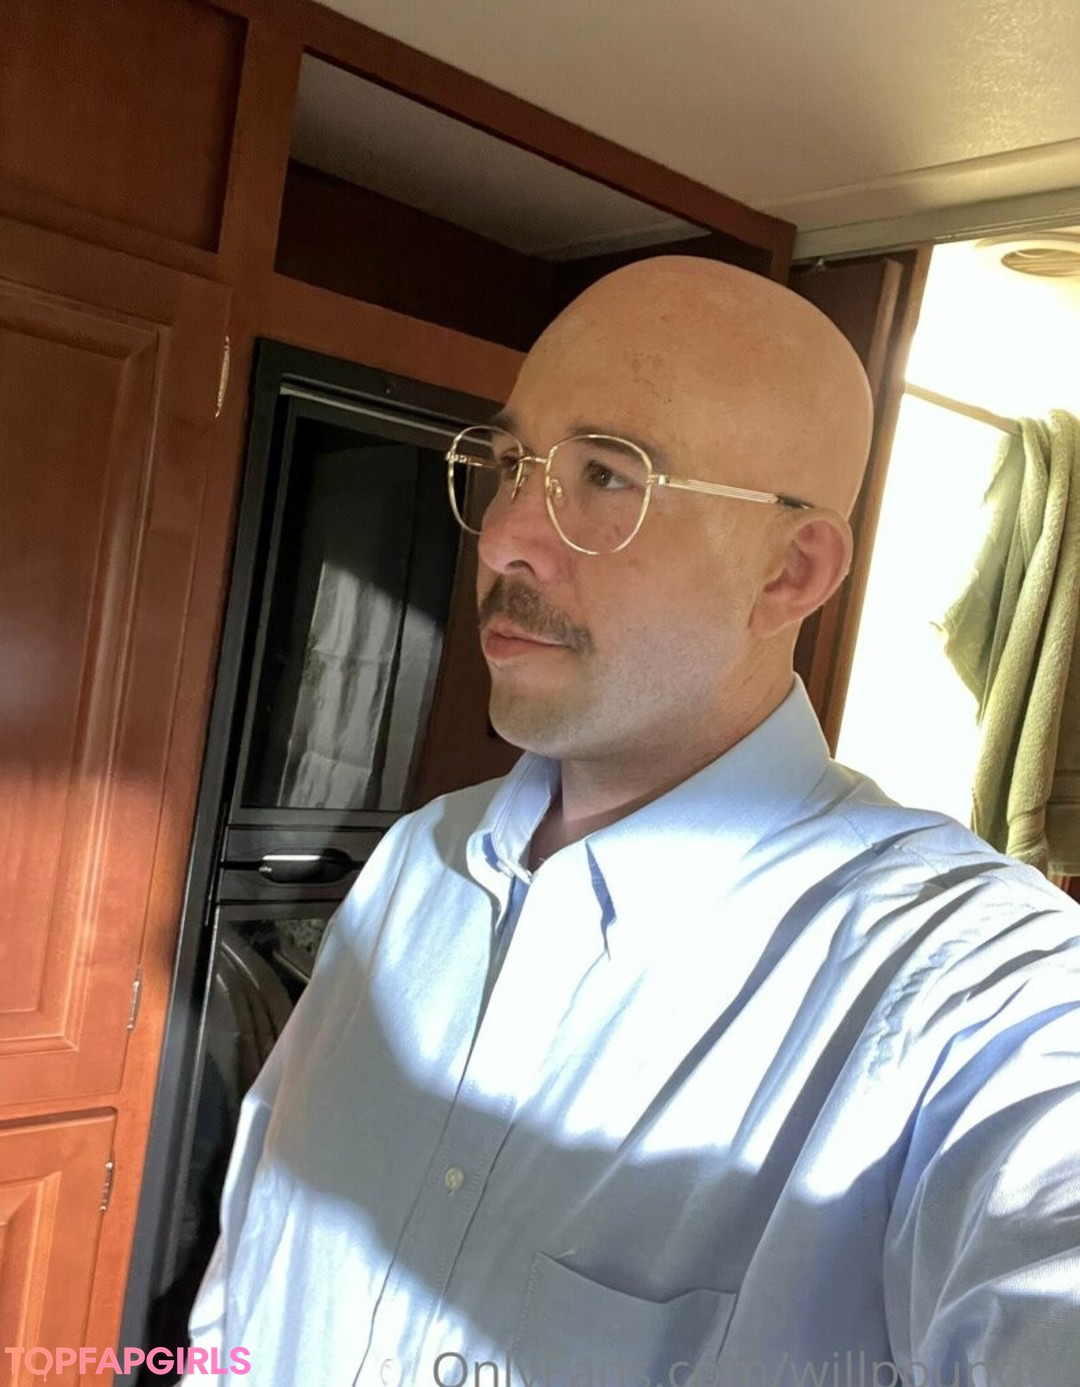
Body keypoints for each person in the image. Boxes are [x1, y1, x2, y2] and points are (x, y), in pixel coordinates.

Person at [184, 258, 1080, 1387]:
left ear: (790, 571)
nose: (504, 535)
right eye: (509, 465)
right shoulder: (419, 860)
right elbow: (258, 1248)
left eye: (606, 474)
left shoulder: (973, 984)